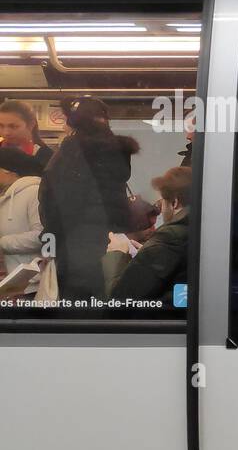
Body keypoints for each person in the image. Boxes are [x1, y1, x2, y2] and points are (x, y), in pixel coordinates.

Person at [37, 96, 140, 301]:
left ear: (72, 122)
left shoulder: (72, 152)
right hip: (109, 239)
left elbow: (56, 203)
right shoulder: (116, 151)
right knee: (101, 297)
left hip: (75, 241)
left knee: (75, 304)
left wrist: (48, 244)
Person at [102, 166, 190, 303]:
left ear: (175, 202)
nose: (162, 210)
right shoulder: (194, 234)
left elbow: (119, 302)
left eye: (162, 203)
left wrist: (116, 253)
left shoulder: (169, 240)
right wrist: (146, 256)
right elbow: (180, 298)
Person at [0, 147, 45, 295]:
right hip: (10, 286)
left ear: (7, 171)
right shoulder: (4, 197)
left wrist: (2, 243)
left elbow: (42, 236)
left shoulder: (33, 193)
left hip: (32, 286)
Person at [0, 100, 53, 167]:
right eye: (1, 126)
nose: (6, 132)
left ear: (31, 125)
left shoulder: (47, 158)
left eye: (13, 126)